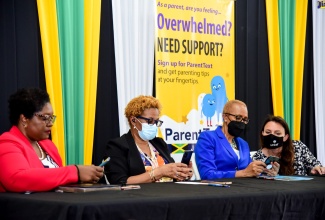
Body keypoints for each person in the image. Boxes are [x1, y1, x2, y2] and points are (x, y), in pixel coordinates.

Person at [0, 88, 104, 193]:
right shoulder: (7, 143)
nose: (50, 123)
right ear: (24, 119)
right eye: (45, 118)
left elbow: (57, 181)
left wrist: (84, 177)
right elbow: (17, 179)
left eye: (51, 118)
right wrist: (75, 172)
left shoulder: (49, 146)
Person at [104, 95, 193, 184]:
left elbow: (170, 175)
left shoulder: (159, 143)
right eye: (150, 121)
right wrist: (159, 172)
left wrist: (181, 173)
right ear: (133, 120)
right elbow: (119, 181)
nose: (154, 125)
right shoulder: (117, 146)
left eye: (156, 122)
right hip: (138, 196)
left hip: (168, 195)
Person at [195, 100, 274, 180]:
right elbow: (207, 174)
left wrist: (267, 171)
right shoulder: (208, 138)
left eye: (245, 119)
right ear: (225, 117)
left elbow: (250, 171)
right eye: (238, 118)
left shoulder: (243, 144)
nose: (241, 122)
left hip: (244, 189)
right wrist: (242, 173)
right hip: (219, 190)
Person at [252, 115, 325, 176]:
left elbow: (316, 165)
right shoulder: (257, 158)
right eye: (268, 132)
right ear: (263, 134)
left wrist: (317, 169)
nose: (272, 136)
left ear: (285, 137)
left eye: (277, 133)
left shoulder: (298, 146)